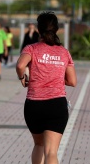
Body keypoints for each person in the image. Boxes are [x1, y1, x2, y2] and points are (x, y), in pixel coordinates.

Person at [16, 12, 77, 164]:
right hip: (56, 105)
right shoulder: (64, 52)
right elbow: (72, 81)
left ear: (38, 29)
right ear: (56, 29)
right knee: (51, 152)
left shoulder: (31, 48)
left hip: (34, 105)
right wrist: (54, 78)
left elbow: (20, 65)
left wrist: (22, 77)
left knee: (38, 144)